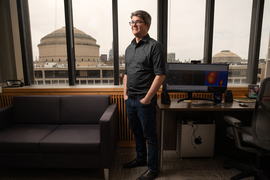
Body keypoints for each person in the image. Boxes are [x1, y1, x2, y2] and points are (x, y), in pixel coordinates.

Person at [122, 10, 166, 180]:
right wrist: (124, 94)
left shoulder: (155, 46)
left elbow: (160, 75)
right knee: (136, 133)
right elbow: (126, 73)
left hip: (144, 100)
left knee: (150, 136)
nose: (134, 24)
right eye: (132, 21)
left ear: (147, 25)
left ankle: (153, 168)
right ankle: (141, 159)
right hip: (130, 99)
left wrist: (147, 99)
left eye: (138, 21)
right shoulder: (129, 47)